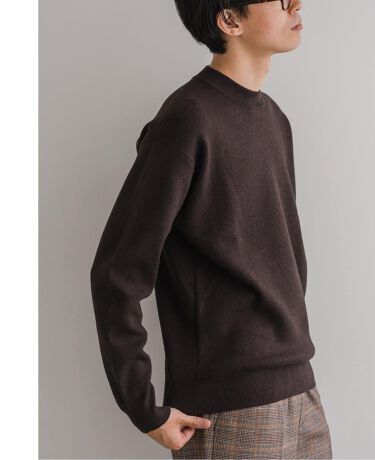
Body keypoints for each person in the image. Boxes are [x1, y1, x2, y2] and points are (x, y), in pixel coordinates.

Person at [90, 0, 333, 458]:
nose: (296, 3)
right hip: (232, 409)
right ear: (229, 19)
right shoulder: (187, 119)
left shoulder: (275, 120)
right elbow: (116, 272)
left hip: (302, 392)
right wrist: (144, 407)